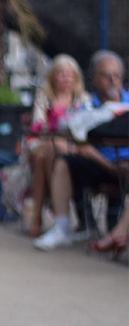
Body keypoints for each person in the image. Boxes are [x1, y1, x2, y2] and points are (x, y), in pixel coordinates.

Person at [34, 51, 129, 251]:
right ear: (94, 79)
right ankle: (62, 227)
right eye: (106, 75)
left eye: (117, 75)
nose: (113, 80)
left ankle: (117, 232)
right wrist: (109, 166)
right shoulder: (85, 109)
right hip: (102, 165)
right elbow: (78, 143)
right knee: (64, 161)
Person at [25, 55, 92, 237]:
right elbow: (39, 126)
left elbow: (85, 127)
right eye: (62, 74)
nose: (66, 78)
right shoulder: (44, 98)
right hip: (45, 143)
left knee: (44, 155)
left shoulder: (83, 99)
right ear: (53, 76)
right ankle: (58, 215)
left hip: (70, 146)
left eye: (70, 75)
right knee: (47, 150)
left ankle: (39, 218)